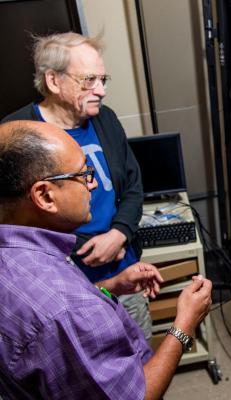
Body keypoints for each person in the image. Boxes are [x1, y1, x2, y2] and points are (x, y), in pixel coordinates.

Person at [0, 120, 212, 399]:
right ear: (45, 195)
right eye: (83, 174)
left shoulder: (21, 257)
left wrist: (109, 286)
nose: (94, 183)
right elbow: (138, 395)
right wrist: (185, 324)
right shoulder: (67, 309)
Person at [2, 32, 152, 338]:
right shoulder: (16, 136)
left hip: (122, 267)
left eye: (103, 79)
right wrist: (85, 246)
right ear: (54, 82)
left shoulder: (105, 120)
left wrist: (119, 232)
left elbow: (134, 185)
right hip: (62, 286)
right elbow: (11, 221)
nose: (101, 90)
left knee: (138, 353)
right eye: (88, 80)